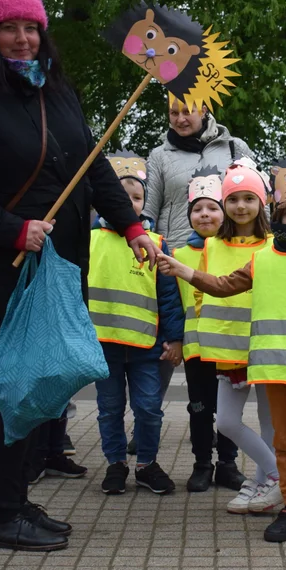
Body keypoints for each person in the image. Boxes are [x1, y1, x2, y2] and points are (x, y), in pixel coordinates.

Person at [0, 0, 157, 552]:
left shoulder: (55, 88)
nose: (22, 38)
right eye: (9, 27)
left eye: (31, 26)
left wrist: (130, 225)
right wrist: (13, 229)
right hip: (4, 268)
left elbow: (94, 165)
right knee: (24, 385)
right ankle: (1, 514)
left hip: (59, 263)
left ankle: (17, 499)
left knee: (46, 383)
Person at [159, 155, 286, 551]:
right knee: (285, 443)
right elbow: (224, 284)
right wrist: (186, 272)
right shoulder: (263, 258)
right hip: (276, 372)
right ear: (278, 215)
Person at [91, 153, 183, 496]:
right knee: (109, 409)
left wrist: (175, 338)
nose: (129, 202)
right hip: (103, 346)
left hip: (147, 346)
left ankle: (146, 464)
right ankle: (115, 464)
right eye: (121, 194)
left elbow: (169, 297)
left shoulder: (156, 244)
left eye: (137, 196)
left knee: (148, 408)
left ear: (146, 202)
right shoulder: (89, 241)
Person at [196, 161, 280, 514]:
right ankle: (277, 477)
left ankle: (262, 484)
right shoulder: (212, 245)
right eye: (233, 199)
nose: (241, 206)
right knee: (227, 422)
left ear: (262, 203)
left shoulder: (275, 245)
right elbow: (202, 289)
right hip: (229, 350)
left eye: (249, 198)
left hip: (268, 347)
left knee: (269, 423)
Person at [174, 167, 244, 493]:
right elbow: (173, 303)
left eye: (212, 207)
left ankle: (227, 464)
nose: (205, 214)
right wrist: (174, 339)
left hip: (231, 345)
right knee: (200, 408)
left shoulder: (238, 249)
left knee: (229, 411)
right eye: (197, 209)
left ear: (224, 212)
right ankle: (202, 463)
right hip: (196, 348)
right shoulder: (179, 256)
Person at [143, 96, 255, 246]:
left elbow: (259, 200)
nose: (180, 119)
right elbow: (148, 210)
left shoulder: (235, 147)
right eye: (174, 113)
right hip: (175, 252)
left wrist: (262, 242)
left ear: (203, 111)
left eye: (187, 111)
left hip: (230, 248)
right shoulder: (159, 156)